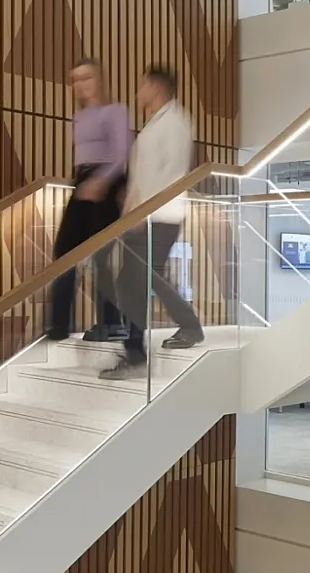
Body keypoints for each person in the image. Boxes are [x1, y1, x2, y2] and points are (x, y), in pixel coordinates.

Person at [101, 66, 204, 380]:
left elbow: (171, 173)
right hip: (145, 215)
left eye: (142, 85)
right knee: (137, 279)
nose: (138, 92)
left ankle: (139, 353)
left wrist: (141, 211)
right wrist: (130, 208)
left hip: (160, 215)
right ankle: (157, 341)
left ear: (156, 87)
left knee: (139, 278)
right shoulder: (156, 123)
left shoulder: (175, 123)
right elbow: (143, 175)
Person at [47, 58, 132, 342]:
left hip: (107, 183)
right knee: (64, 252)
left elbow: (121, 153)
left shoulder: (115, 111)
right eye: (75, 79)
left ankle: (111, 324)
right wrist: (82, 182)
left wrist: (102, 181)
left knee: (100, 257)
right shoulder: (79, 116)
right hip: (82, 181)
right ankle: (58, 325)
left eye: (86, 77)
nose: (80, 84)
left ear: (99, 80)